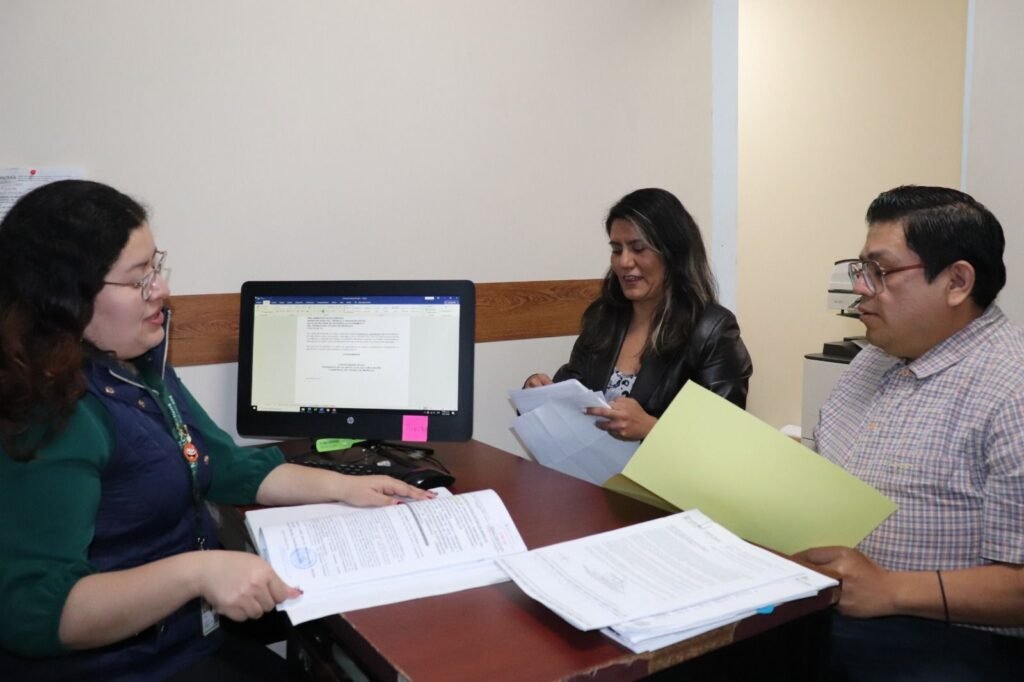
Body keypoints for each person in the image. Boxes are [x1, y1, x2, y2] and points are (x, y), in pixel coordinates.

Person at [0, 180, 433, 681]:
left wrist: (345, 487)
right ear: (64, 299)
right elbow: (35, 614)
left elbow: (217, 462)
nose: (161, 290)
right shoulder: (48, 413)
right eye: (139, 279)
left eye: (156, 268)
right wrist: (196, 574)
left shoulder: (134, 365)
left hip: (186, 641)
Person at [794, 185, 1024, 680]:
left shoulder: (1012, 389)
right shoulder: (873, 359)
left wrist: (890, 590)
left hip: (948, 640)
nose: (861, 289)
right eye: (861, 270)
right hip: (825, 608)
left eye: (880, 272)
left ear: (957, 282)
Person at [523, 187, 752, 441]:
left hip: (663, 468)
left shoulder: (713, 331)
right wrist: (539, 391)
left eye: (638, 248)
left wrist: (651, 429)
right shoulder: (604, 318)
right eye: (617, 249)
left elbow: (724, 440)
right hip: (595, 466)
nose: (624, 262)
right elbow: (572, 392)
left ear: (673, 254)